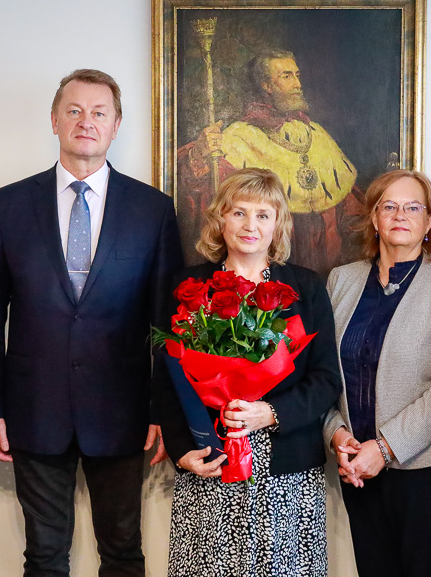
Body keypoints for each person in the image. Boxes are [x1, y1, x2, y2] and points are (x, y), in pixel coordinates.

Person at [0, 69, 183, 576]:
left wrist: (161, 409)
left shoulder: (152, 210)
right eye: (73, 110)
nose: (85, 122)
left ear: (115, 126)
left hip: (123, 411)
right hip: (33, 408)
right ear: (53, 120)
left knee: (122, 552)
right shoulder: (8, 204)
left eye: (98, 113)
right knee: (43, 556)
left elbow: (166, 323)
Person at [156, 168, 342, 577]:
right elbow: (166, 378)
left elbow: (326, 379)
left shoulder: (306, 288)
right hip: (209, 466)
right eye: (239, 213)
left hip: (287, 472)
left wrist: (270, 413)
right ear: (220, 219)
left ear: (278, 224)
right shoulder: (188, 285)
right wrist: (181, 448)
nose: (250, 225)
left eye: (263, 214)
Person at [323, 169, 431, 576]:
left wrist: (385, 447)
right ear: (374, 218)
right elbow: (322, 372)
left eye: (413, 207)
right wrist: (337, 435)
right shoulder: (341, 280)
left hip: (427, 471)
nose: (400, 214)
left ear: (429, 222)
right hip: (356, 466)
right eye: (388, 206)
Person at [177, 50, 364, 274]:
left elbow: (347, 200)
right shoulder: (239, 137)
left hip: (323, 265)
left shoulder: (316, 133)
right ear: (266, 85)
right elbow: (206, 189)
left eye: (297, 75)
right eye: (287, 76)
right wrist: (200, 154)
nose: (297, 83)